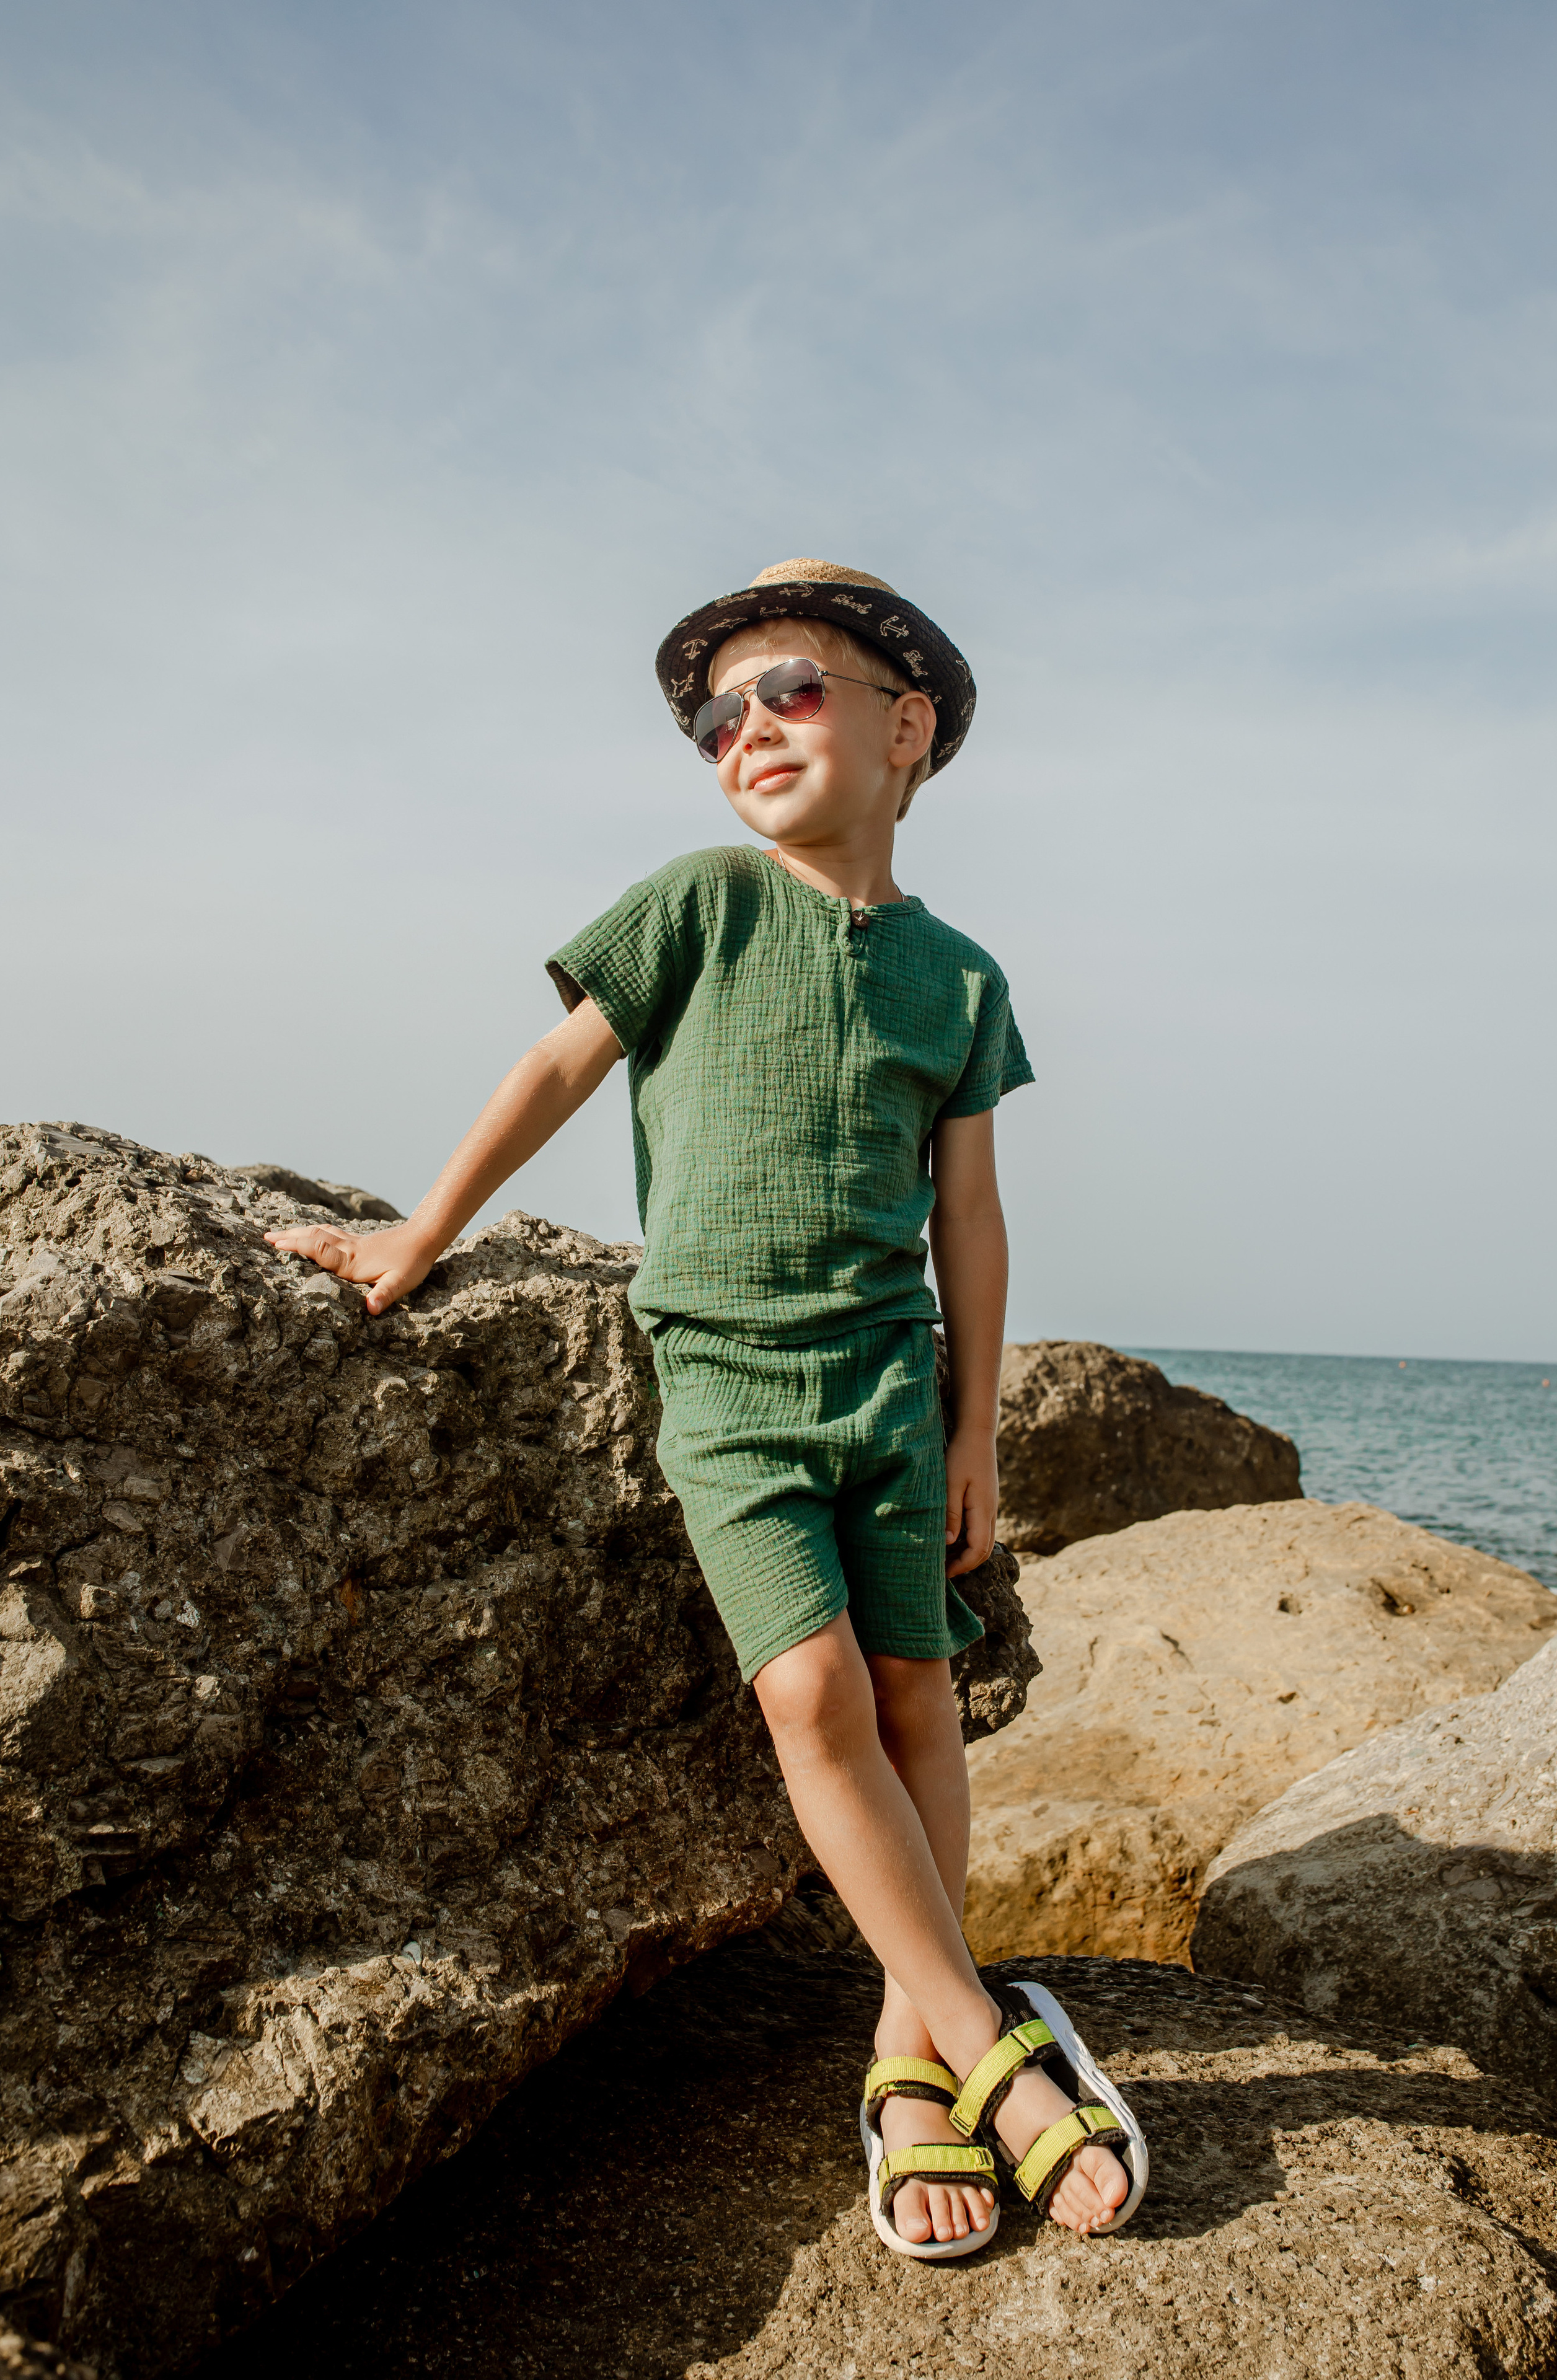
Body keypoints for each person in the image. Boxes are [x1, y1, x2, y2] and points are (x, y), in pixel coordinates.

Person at [267, 558, 1145, 2260]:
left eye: (788, 692)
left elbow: (969, 1214)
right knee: (811, 1694)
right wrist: (422, 1232)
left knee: (918, 1699)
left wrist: (972, 1434)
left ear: (909, 729)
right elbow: (550, 1070)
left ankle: (904, 2058)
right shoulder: (694, 907)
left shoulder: (959, 981)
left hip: (889, 1381)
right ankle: (988, 2046)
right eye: (714, 715)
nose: (745, 729)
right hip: (729, 1378)